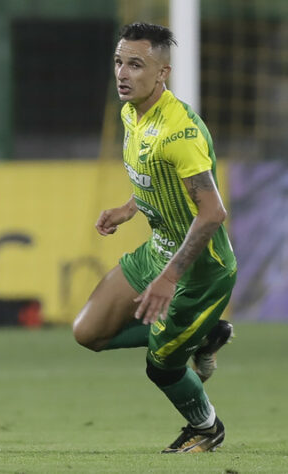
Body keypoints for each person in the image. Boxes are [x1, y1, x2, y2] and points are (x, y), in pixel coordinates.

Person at [72, 22, 237, 453]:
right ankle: (202, 336)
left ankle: (206, 428)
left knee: (162, 366)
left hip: (200, 272)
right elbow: (155, 179)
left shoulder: (179, 133)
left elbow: (212, 212)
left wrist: (168, 278)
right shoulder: (132, 112)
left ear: (162, 72)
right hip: (157, 249)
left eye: (136, 65)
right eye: (118, 62)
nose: (123, 74)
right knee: (87, 332)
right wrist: (129, 209)